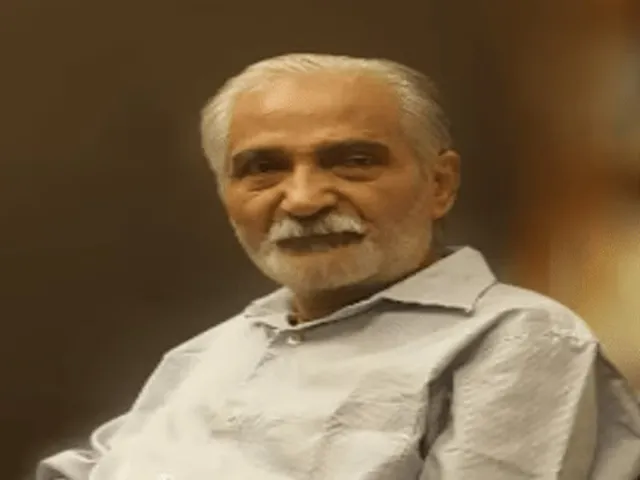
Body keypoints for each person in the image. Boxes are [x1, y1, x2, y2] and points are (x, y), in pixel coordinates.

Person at [37, 53, 640, 480]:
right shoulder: (207, 354)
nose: (302, 200)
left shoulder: (516, 340)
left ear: (440, 184)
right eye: (262, 169)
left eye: (352, 161)